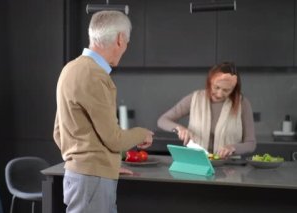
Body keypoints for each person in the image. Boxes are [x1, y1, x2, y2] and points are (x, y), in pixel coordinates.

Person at [53, 10, 154, 213]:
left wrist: (104, 164)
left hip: (79, 176)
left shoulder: (70, 69)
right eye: (127, 42)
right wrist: (142, 133)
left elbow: (58, 132)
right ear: (119, 39)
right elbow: (114, 139)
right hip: (92, 181)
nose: (125, 47)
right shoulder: (95, 75)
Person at [157, 62, 256, 158]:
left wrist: (232, 148)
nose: (219, 94)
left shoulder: (242, 103)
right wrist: (179, 129)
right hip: (197, 162)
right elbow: (162, 120)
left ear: (233, 89)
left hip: (229, 167)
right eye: (216, 87)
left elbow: (251, 144)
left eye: (226, 90)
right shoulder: (194, 99)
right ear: (210, 82)